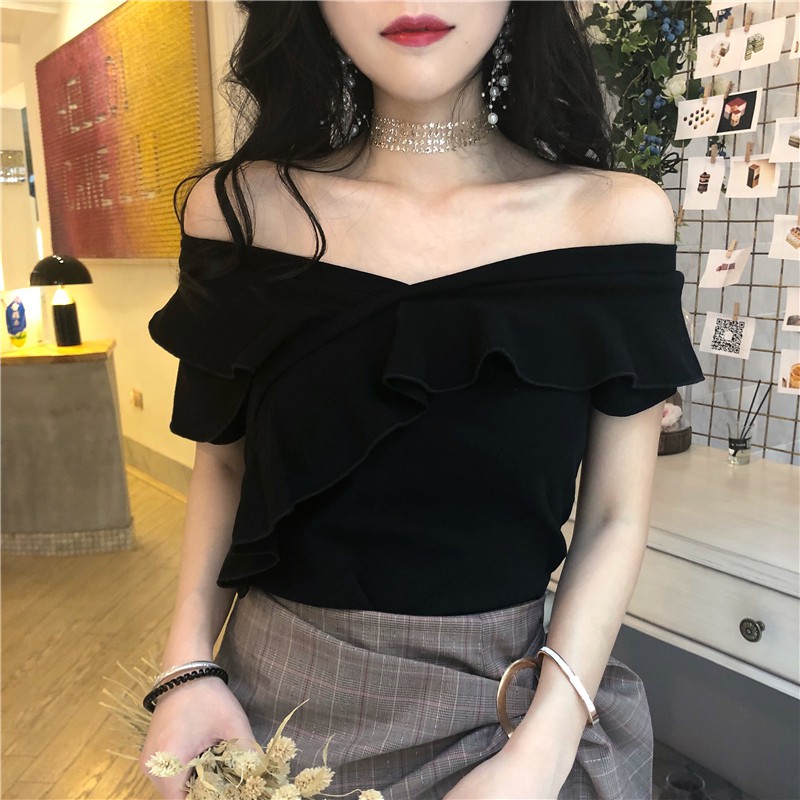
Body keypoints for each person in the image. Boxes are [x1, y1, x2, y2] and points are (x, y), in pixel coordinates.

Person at [142, 2, 705, 799]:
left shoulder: (613, 221)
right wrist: (188, 668)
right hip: (269, 722)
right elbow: (225, 467)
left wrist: (542, 753)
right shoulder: (239, 212)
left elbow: (614, 516)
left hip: (506, 724)